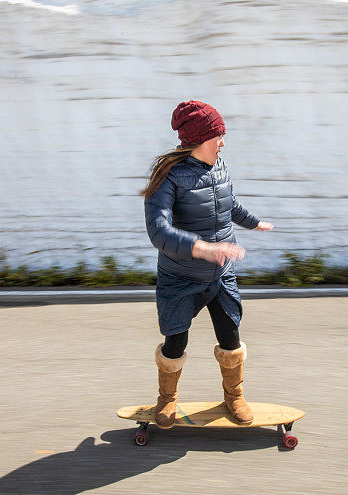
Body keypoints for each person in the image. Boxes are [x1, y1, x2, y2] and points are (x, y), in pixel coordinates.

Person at [140, 100, 273, 428]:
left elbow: (230, 204)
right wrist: (202, 248)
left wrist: (253, 222)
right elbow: (158, 230)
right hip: (180, 276)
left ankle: (234, 396)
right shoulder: (168, 178)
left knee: (231, 336)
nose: (223, 142)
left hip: (220, 274)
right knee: (176, 341)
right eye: (218, 136)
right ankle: (167, 399)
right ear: (200, 139)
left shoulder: (220, 166)